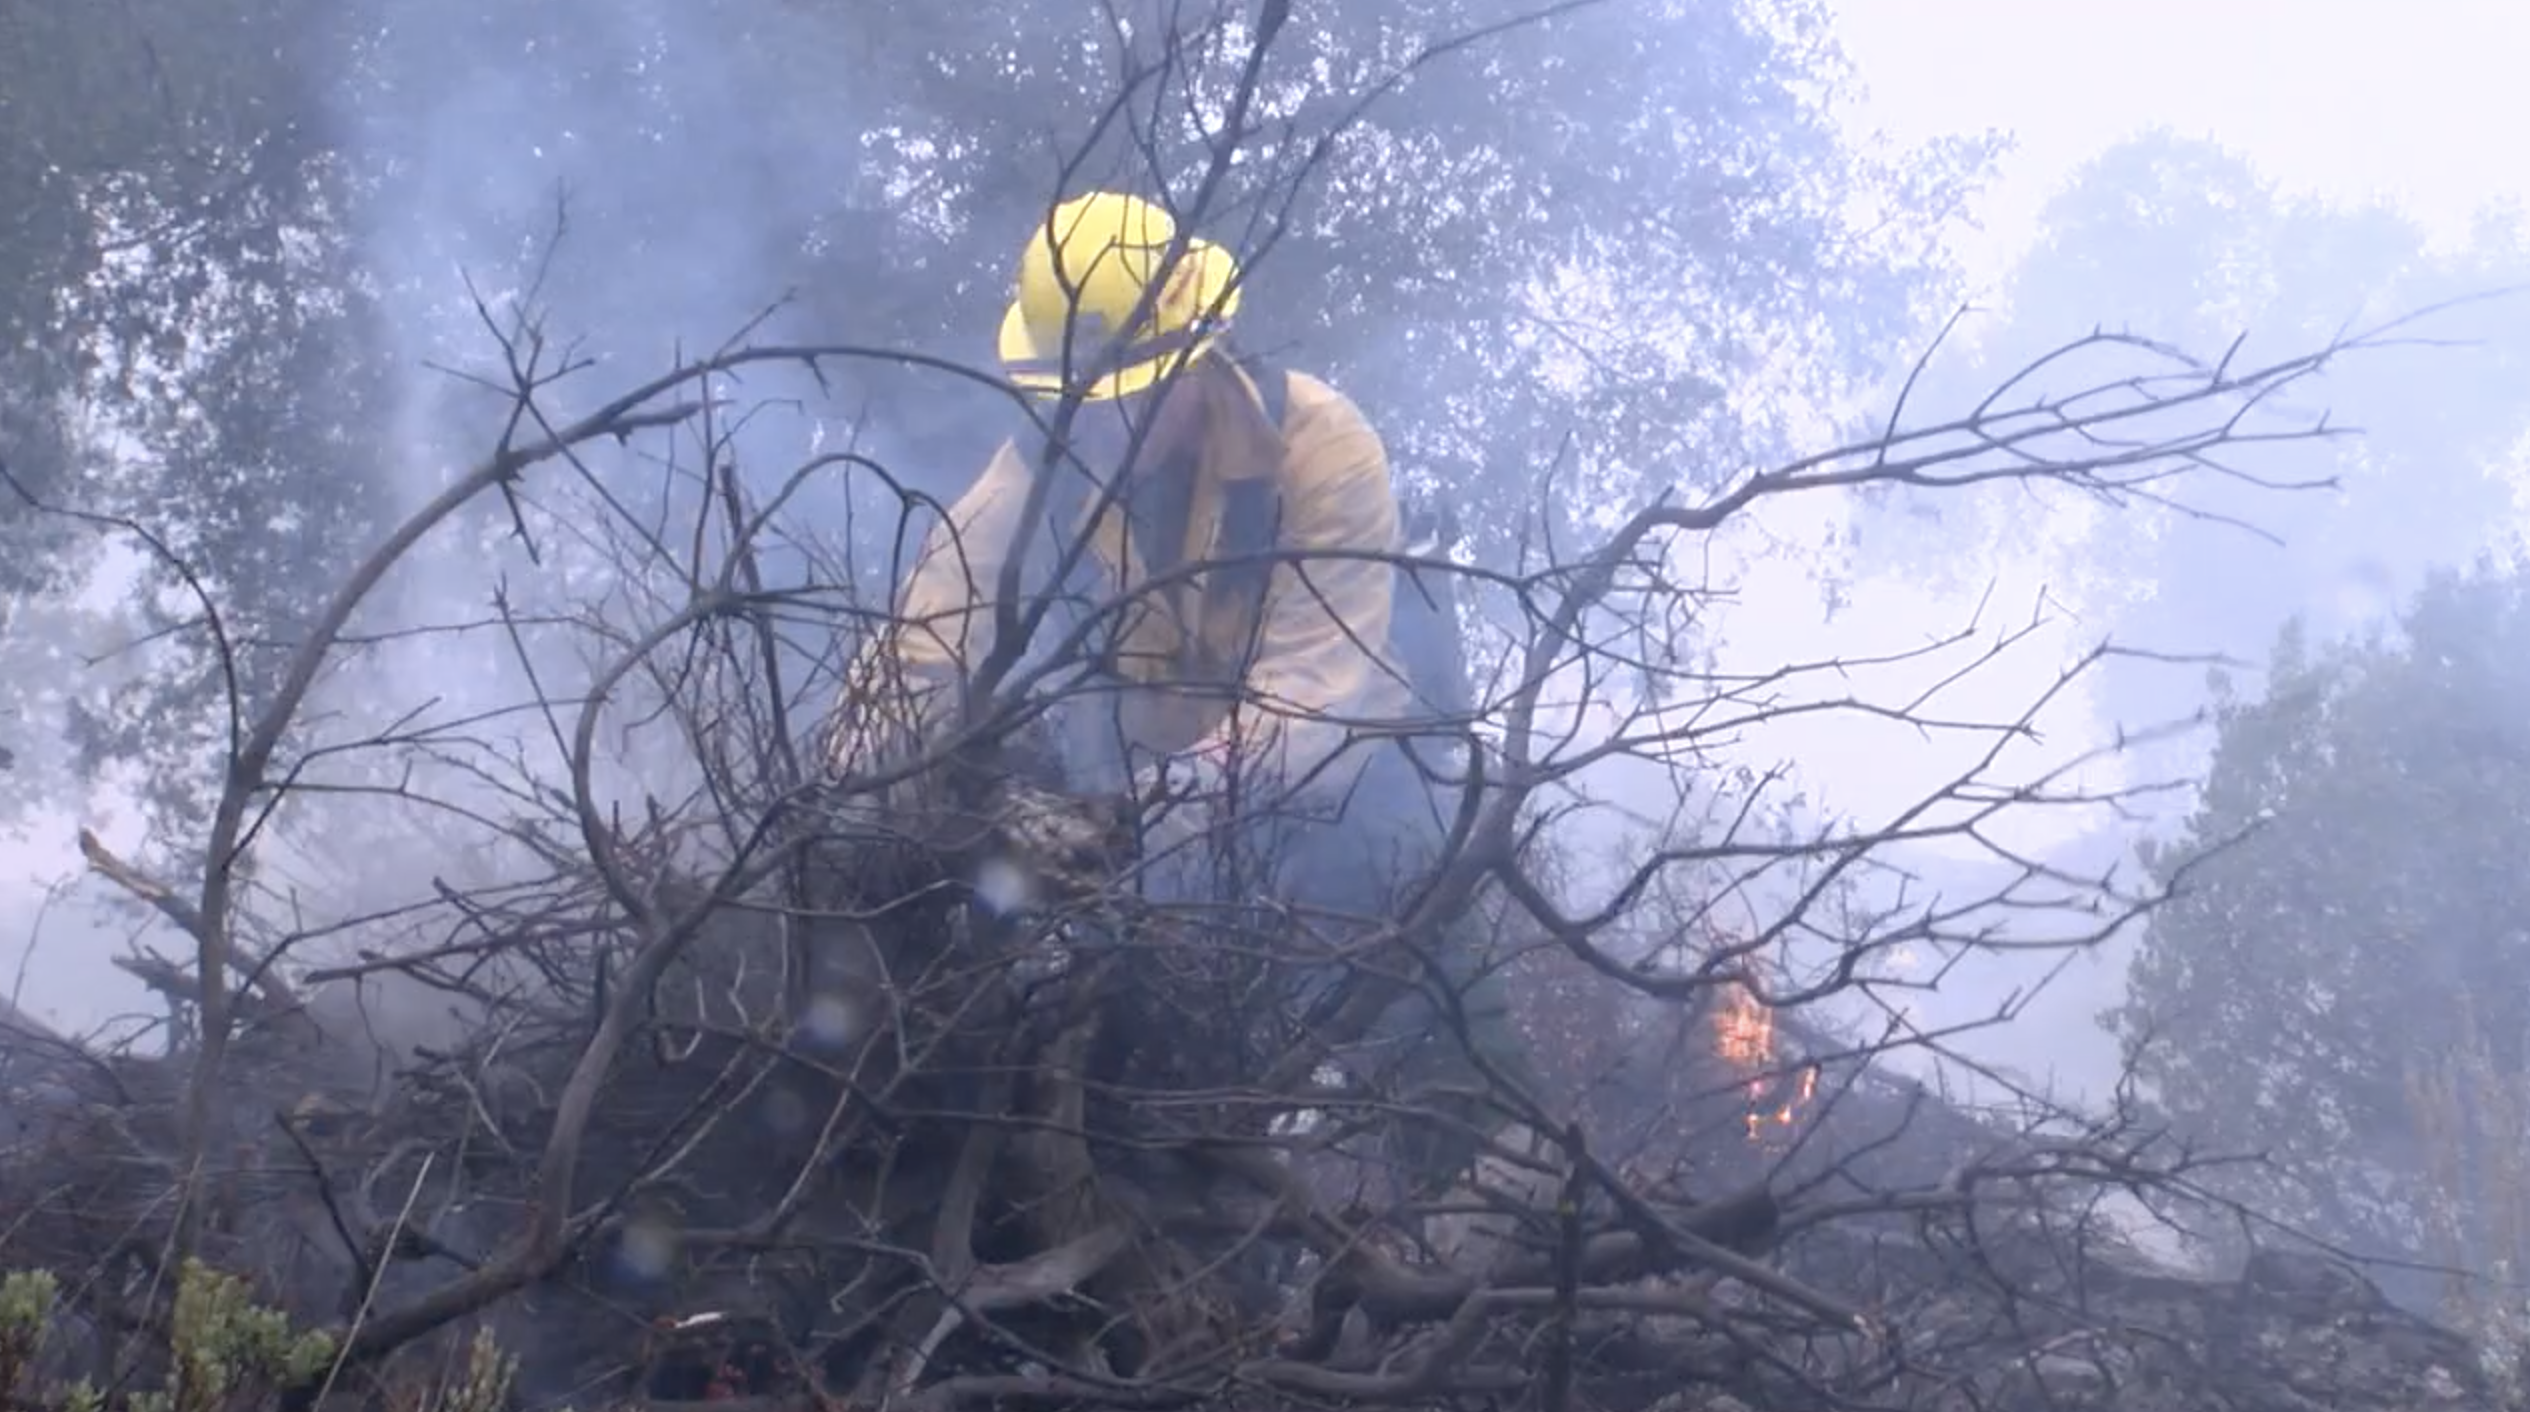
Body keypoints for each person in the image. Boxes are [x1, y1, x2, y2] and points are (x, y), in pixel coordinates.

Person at [830, 189, 1535, 1198]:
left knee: (1401, 905)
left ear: (1200, 355)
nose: (1098, 416)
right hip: (1179, 763)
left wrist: (1151, 811)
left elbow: (1311, 691)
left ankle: (1491, 1180)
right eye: (1077, 389)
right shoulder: (1034, 475)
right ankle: (1204, 1193)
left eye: (1127, 387)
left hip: (1364, 728)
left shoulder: (1322, 450)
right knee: (1167, 990)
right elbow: (918, 650)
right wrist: (882, 772)